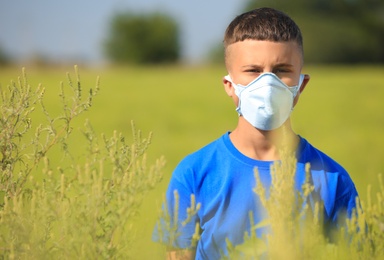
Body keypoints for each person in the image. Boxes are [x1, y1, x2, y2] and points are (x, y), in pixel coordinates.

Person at [153, 7, 359, 259]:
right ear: (230, 86)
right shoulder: (195, 173)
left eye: (282, 70)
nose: (267, 84)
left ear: (301, 85)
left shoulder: (333, 179)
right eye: (253, 71)